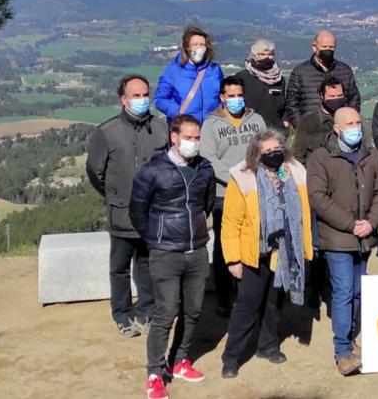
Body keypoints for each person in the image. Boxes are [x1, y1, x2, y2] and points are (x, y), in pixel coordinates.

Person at [129, 115, 216, 399]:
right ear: (174, 137)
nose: (194, 143)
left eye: (197, 137)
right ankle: (155, 372)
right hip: (165, 252)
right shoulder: (152, 171)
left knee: (193, 311)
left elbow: (206, 204)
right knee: (165, 313)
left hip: (197, 250)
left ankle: (180, 360)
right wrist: (156, 240)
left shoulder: (204, 169)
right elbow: (138, 212)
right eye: (188, 137)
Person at [219, 130, 314, 378]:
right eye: (267, 152)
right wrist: (233, 259)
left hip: (284, 251)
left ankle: (267, 346)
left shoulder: (295, 172)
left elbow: (303, 214)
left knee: (273, 303)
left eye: (277, 149)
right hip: (253, 252)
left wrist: (304, 246)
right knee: (247, 305)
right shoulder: (243, 177)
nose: (274, 154)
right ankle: (231, 357)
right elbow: (231, 223)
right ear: (256, 154)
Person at [307, 107, 378, 375]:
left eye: (357, 122)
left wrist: (371, 222)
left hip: (364, 237)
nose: (355, 127)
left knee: (357, 291)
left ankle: (351, 340)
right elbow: (318, 198)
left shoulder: (371, 154)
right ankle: (342, 350)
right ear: (336, 128)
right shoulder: (321, 157)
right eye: (348, 123)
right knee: (342, 293)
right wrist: (350, 224)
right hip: (338, 238)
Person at [86, 74, 168, 337]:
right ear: (123, 100)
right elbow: (94, 172)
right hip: (121, 213)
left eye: (145, 95)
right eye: (136, 95)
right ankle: (121, 314)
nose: (142, 100)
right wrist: (114, 196)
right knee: (119, 267)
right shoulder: (107, 132)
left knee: (146, 264)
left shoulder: (161, 128)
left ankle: (147, 310)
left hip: (152, 213)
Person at [199, 76, 266, 318]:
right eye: (232, 96)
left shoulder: (256, 120)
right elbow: (209, 159)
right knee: (223, 247)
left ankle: (248, 294)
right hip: (224, 194)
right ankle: (224, 297)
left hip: (256, 192)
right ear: (222, 97)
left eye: (240, 95)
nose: (236, 100)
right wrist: (237, 179)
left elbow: (264, 150)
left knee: (254, 242)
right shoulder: (211, 125)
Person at [284, 30, 360, 128]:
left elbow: (354, 98)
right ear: (315, 47)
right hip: (311, 128)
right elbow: (291, 103)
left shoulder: (344, 70)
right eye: (324, 47)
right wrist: (301, 127)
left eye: (331, 47)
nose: (328, 50)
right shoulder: (300, 72)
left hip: (340, 128)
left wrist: (348, 120)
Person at [154, 26, 225, 125]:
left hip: (211, 128)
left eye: (202, 44)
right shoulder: (173, 71)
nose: (199, 48)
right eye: (195, 44)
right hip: (185, 128)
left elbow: (223, 96)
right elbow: (160, 99)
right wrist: (177, 113)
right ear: (187, 47)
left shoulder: (215, 70)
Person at [234, 39, 289, 135]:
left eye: (269, 54)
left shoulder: (280, 79)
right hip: (249, 130)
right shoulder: (242, 77)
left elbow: (285, 103)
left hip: (275, 130)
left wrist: (285, 120)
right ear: (254, 56)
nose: (266, 57)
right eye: (262, 54)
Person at [291, 76, 345, 165]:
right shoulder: (308, 122)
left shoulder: (352, 119)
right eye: (332, 96)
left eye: (339, 96)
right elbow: (298, 155)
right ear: (321, 96)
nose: (336, 99)